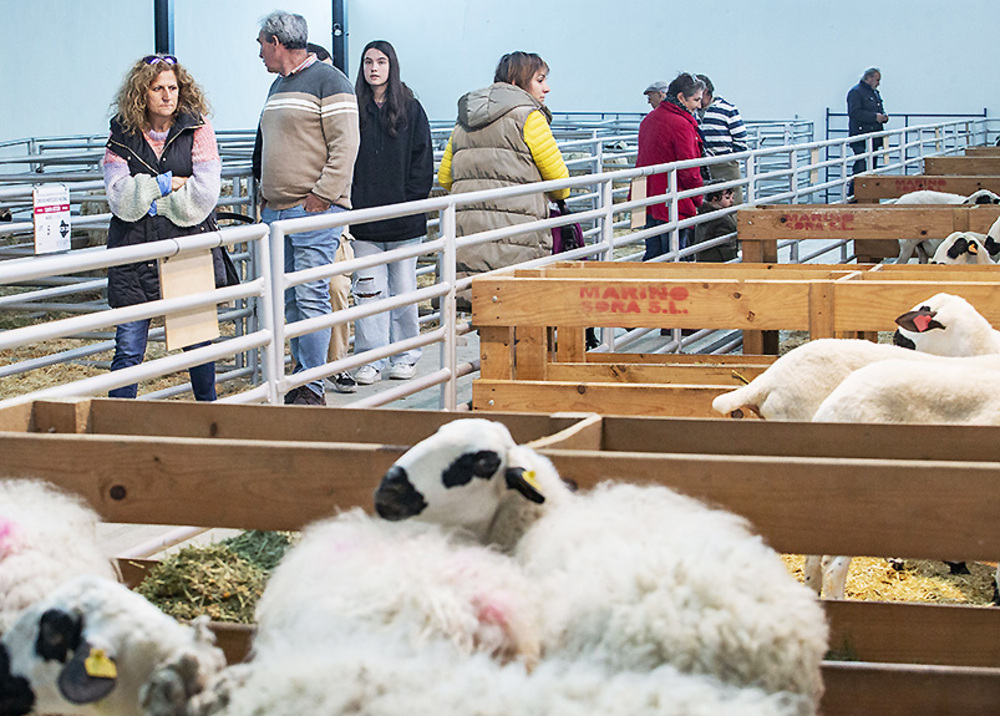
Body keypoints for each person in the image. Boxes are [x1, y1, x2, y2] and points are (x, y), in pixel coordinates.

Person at [102, 54, 223, 401]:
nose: (167, 95)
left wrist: (149, 200)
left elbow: (203, 196)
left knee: (198, 343)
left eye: (173, 87)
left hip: (184, 250)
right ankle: (118, 426)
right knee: (128, 347)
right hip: (134, 253)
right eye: (158, 88)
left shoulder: (198, 129)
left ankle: (209, 416)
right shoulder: (121, 133)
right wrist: (169, 183)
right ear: (143, 93)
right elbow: (119, 199)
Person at [256, 10, 359, 406]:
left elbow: (345, 146)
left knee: (311, 295)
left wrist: (323, 195)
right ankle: (301, 375)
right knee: (289, 299)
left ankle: (312, 385)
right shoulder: (278, 86)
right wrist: (267, 191)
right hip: (278, 210)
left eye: (262, 44)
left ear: (277, 42)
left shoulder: (331, 82)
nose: (259, 53)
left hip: (311, 210)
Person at [437, 51, 569, 302]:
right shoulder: (529, 116)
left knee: (484, 309)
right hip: (517, 240)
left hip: (469, 237)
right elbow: (560, 184)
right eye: (540, 80)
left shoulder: (465, 118)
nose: (547, 88)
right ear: (517, 83)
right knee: (517, 310)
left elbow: (445, 178)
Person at [348, 40, 433, 386]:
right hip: (364, 223)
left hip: (403, 221)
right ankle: (370, 358)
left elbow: (422, 159)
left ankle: (406, 354)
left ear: (391, 66)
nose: (373, 68)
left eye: (381, 62)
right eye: (368, 62)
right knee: (368, 293)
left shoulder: (411, 109)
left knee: (403, 290)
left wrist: (410, 200)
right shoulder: (354, 109)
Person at [635, 72, 705, 260]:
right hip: (673, 200)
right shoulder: (681, 124)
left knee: (654, 253)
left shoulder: (649, 119)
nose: (699, 105)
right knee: (676, 255)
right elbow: (689, 169)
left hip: (649, 199)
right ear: (682, 97)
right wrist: (698, 198)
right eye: (696, 100)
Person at [696, 75, 748, 204]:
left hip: (725, 166)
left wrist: (729, 158)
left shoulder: (727, 109)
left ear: (705, 91)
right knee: (707, 205)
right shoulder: (692, 112)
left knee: (732, 204)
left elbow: (741, 139)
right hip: (702, 166)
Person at [847, 67, 888, 177]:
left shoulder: (874, 93)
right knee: (861, 167)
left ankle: (861, 192)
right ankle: (855, 192)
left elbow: (877, 109)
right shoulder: (856, 92)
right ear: (869, 78)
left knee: (871, 167)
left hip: (873, 136)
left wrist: (883, 117)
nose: (878, 83)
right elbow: (854, 113)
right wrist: (874, 117)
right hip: (860, 136)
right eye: (877, 80)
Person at [692, 184, 738, 262]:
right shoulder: (722, 219)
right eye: (727, 198)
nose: (732, 201)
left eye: (732, 197)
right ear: (714, 199)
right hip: (718, 262)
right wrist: (734, 261)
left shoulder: (702, 213)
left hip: (703, 259)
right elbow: (727, 247)